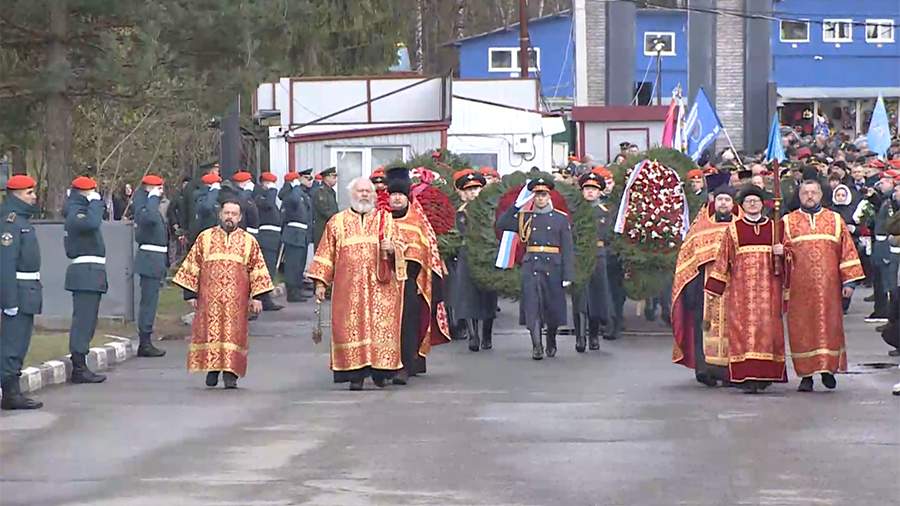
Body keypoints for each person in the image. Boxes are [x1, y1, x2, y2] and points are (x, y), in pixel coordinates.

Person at [307, 177, 405, 391]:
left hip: (382, 289)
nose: (364, 195)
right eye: (360, 191)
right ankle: (355, 375)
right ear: (352, 195)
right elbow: (326, 254)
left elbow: (402, 250)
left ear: (375, 195)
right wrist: (321, 283)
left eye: (368, 191)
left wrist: (392, 249)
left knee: (380, 330)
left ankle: (381, 372)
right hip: (348, 290)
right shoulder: (337, 222)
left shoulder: (385, 220)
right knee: (350, 329)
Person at [172, 198, 274, 389]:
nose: (230, 217)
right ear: (220, 214)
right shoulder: (206, 237)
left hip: (237, 301)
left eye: (234, 214)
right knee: (210, 334)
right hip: (209, 300)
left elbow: (257, 269)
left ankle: (230, 374)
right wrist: (190, 294)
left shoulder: (248, 241)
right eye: (227, 213)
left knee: (233, 337)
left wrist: (257, 297)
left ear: (240, 217)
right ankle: (212, 370)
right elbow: (192, 265)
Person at [782, 180, 865, 392]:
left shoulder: (835, 220)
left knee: (830, 327)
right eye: (805, 193)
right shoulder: (787, 222)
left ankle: (828, 370)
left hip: (829, 288)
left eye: (813, 192)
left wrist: (850, 282)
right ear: (799, 196)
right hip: (799, 290)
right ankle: (806, 375)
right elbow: (780, 260)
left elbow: (847, 251)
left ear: (820, 195)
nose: (810, 196)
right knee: (802, 331)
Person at [704, 186, 788, 393]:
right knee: (743, 332)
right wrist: (715, 287)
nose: (753, 204)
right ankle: (746, 377)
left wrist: (783, 252)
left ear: (762, 204)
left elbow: (790, 259)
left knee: (768, 332)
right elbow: (724, 258)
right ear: (742, 206)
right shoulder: (733, 229)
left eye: (756, 201)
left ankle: (766, 375)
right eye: (748, 201)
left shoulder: (775, 228)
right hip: (741, 292)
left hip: (769, 290)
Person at [384, 167, 451, 384]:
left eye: (400, 195)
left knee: (407, 324)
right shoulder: (380, 221)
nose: (396, 199)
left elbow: (422, 251)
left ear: (407, 198)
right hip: (383, 280)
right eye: (392, 195)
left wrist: (397, 250)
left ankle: (405, 365)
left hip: (409, 281)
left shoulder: (416, 222)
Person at [497, 176, 574, 360]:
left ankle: (551, 339)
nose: (540, 198)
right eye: (537, 195)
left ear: (549, 196)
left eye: (544, 195)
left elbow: (568, 247)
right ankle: (536, 345)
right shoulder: (525, 217)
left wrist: (568, 273)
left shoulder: (560, 219)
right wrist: (516, 206)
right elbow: (502, 224)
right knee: (533, 306)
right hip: (532, 265)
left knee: (552, 307)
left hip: (553, 265)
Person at [671, 185, 739, 387]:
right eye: (720, 200)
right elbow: (688, 257)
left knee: (732, 327)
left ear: (733, 203)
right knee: (704, 325)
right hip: (704, 285)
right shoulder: (701, 227)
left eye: (727, 200)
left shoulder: (740, 226)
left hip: (733, 285)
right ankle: (705, 369)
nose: (723, 203)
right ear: (714, 202)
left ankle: (730, 371)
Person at [0, 175, 44, 409]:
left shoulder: (22, 221)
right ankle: (10, 391)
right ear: (16, 195)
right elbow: (6, 263)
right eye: (29, 193)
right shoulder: (10, 222)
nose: (34, 196)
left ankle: (13, 389)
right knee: (12, 343)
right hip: (17, 290)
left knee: (21, 342)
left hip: (27, 289)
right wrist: (8, 299)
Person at [63, 176, 108, 384]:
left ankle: (81, 362)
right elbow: (91, 223)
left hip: (92, 271)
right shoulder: (76, 211)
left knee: (89, 320)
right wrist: (95, 202)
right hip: (85, 272)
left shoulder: (82, 208)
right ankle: (79, 366)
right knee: (83, 321)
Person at [448, 169, 497, 352]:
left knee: (488, 296)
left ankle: (487, 334)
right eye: (469, 190)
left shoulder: (491, 211)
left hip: (487, 258)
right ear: (462, 194)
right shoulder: (460, 213)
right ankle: (472, 334)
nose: (473, 193)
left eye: (476, 189)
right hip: (467, 257)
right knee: (468, 296)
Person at [572, 172, 613, 352]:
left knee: (597, 298)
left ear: (599, 192)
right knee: (580, 297)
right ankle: (580, 337)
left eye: (593, 189)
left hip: (598, 256)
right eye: (587, 189)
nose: (590, 192)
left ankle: (594, 336)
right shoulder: (574, 212)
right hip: (579, 257)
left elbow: (610, 237)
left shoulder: (605, 213)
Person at [132, 174, 169, 358]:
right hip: (149, 258)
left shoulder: (148, 205)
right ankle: (144, 341)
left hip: (156, 259)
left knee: (152, 302)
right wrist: (153, 197)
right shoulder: (144, 206)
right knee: (148, 302)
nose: (161, 192)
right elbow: (151, 219)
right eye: (158, 188)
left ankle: (147, 338)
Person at [281, 171, 312, 302]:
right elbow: (293, 200)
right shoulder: (290, 193)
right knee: (293, 265)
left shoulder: (301, 193)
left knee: (300, 264)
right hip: (294, 233)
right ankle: (292, 292)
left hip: (302, 234)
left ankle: (297, 290)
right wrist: (294, 187)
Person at [255, 172, 283, 295]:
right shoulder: (258, 196)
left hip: (273, 236)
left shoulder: (266, 195)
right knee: (267, 265)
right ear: (263, 183)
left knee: (271, 266)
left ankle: (267, 293)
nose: (272, 186)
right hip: (266, 235)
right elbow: (268, 204)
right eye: (269, 183)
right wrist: (272, 191)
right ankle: (265, 295)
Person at [191, 172, 222, 243]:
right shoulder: (202, 196)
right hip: (205, 233)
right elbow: (207, 207)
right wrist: (214, 191)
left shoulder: (212, 196)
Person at [312, 166, 339, 246]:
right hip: (322, 229)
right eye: (333, 177)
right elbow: (325, 211)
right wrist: (336, 218)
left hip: (331, 228)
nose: (335, 180)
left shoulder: (331, 192)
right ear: (326, 178)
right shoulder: (320, 191)